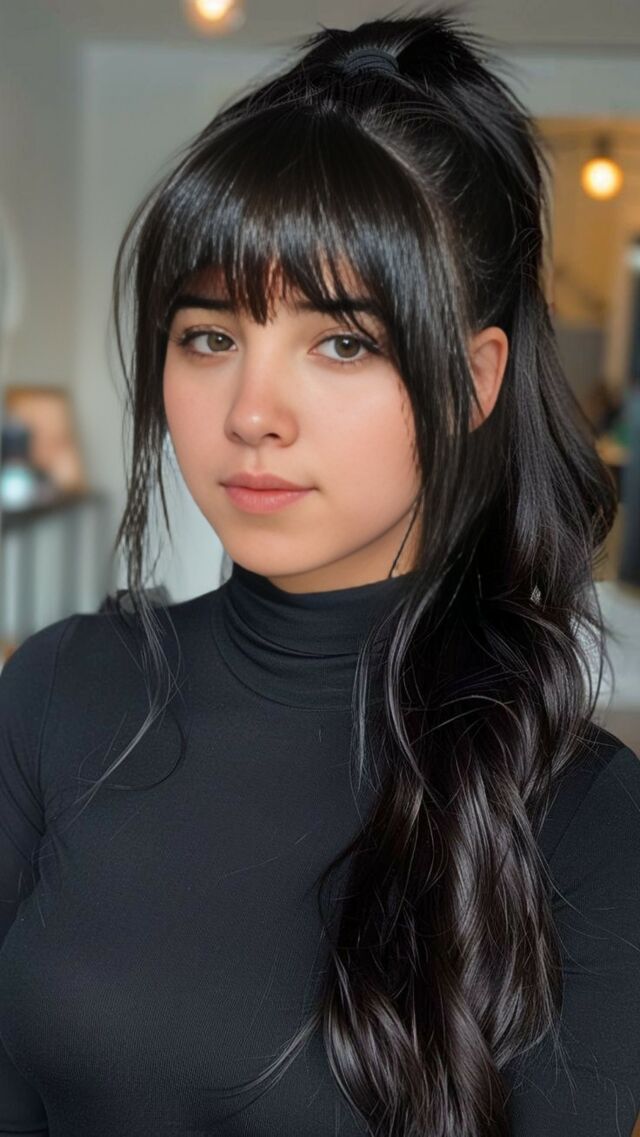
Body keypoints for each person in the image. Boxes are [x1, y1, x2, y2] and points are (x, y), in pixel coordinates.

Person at [1, 6, 639, 1136]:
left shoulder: (585, 813)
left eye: (343, 341)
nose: (252, 413)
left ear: (475, 378)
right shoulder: (59, 692)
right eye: (210, 337)